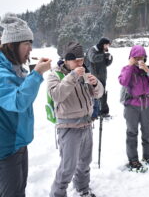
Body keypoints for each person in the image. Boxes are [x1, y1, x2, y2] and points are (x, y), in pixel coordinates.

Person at [0, 13, 51, 196]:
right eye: (26, 43)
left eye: (31, 42)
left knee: (19, 191)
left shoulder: (15, 68)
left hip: (20, 144)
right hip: (6, 151)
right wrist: (36, 75)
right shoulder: (0, 72)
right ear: (12, 45)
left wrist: (32, 74)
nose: (31, 48)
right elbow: (18, 101)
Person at [48, 41, 103, 197]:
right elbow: (57, 94)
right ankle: (57, 194)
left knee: (85, 164)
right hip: (68, 128)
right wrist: (73, 76)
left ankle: (83, 189)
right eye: (76, 60)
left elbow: (98, 94)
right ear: (66, 59)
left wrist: (95, 84)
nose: (80, 63)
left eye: (82, 60)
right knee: (67, 168)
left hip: (86, 125)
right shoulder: (55, 74)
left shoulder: (83, 73)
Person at [118, 45, 149, 171]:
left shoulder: (148, 70)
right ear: (131, 58)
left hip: (146, 105)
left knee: (147, 131)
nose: (139, 60)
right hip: (131, 106)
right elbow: (123, 81)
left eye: (141, 57)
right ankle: (133, 159)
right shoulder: (126, 69)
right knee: (132, 132)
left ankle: (148, 156)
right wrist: (131, 66)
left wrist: (147, 70)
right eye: (136, 58)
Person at [86, 37, 113, 119]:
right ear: (103, 44)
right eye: (107, 45)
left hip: (103, 75)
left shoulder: (102, 51)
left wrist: (109, 59)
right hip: (94, 76)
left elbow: (105, 64)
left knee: (103, 93)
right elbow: (93, 58)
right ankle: (95, 112)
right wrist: (103, 55)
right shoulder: (93, 49)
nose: (107, 47)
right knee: (95, 94)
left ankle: (104, 111)